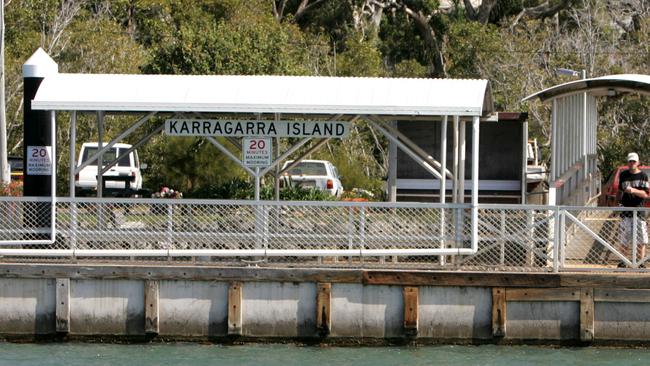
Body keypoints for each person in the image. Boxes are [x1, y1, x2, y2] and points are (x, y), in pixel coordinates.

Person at [617, 152, 649, 267]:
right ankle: (623, 261)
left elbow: (646, 194)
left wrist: (633, 191)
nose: (631, 163)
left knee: (641, 239)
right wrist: (616, 205)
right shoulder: (623, 175)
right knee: (624, 238)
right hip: (626, 211)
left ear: (638, 163)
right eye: (630, 161)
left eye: (634, 161)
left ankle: (640, 262)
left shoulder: (643, 176)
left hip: (639, 211)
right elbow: (620, 191)